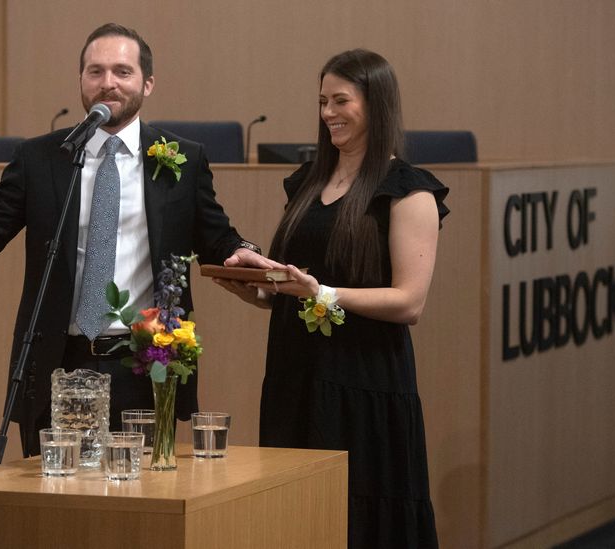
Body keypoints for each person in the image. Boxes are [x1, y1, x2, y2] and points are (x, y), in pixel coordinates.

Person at [0, 23, 270, 456]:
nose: (108, 82)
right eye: (95, 71)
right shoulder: (40, 158)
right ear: (80, 80)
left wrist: (245, 253)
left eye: (122, 72)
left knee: (142, 493)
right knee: (54, 494)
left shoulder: (183, 158)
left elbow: (218, 238)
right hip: (57, 366)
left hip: (144, 366)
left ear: (147, 83)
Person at [217, 49, 447, 548]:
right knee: (295, 517)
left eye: (341, 101)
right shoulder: (307, 182)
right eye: (323, 101)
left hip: (363, 381)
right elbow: (299, 287)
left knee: (359, 516)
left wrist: (319, 291)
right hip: (295, 375)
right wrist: (260, 288)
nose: (328, 113)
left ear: (376, 104)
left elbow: (410, 302)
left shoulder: (408, 191)